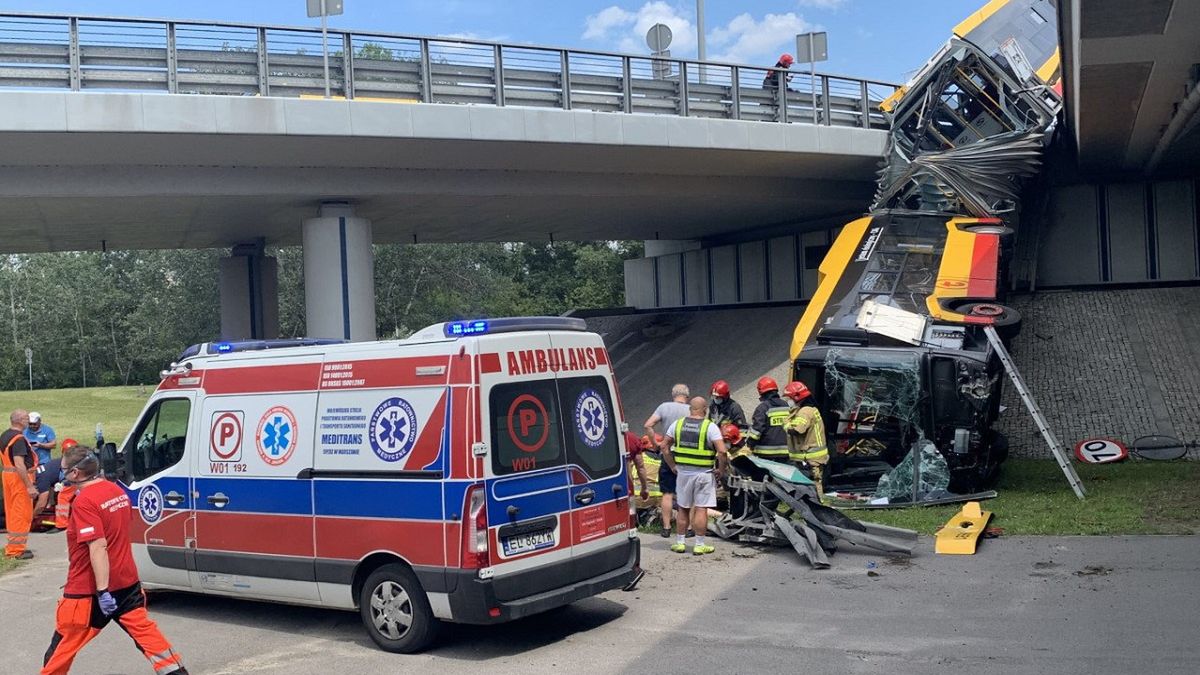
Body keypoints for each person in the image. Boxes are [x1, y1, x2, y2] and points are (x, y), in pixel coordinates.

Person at [41, 446, 188, 675]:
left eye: (64, 470)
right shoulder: (115, 491)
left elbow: (98, 546)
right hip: (126, 583)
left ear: (76, 473)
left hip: (90, 590)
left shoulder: (84, 502)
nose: (61, 475)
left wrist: (102, 591)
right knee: (148, 637)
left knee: (61, 649)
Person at [661, 397, 728, 555]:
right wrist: (721, 470)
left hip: (683, 474)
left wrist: (672, 465)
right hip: (703, 474)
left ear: (690, 409)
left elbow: (664, 446)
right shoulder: (709, 427)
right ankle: (699, 544)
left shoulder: (677, 424)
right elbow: (722, 452)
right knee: (701, 508)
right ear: (704, 409)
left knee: (683, 508)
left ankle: (680, 543)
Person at [643, 384, 691, 536]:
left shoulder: (664, 407)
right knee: (688, 492)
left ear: (673, 395)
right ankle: (688, 529)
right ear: (687, 396)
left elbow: (648, 425)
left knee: (667, 493)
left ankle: (666, 527)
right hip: (686, 454)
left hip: (667, 452)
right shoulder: (691, 410)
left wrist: (656, 443)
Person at [782, 381, 830, 496]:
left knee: (813, 487)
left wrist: (786, 424)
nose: (788, 401)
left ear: (797, 397)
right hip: (811, 458)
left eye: (789, 398)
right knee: (813, 486)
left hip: (810, 458)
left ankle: (818, 510)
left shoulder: (805, 411)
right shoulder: (807, 409)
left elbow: (798, 429)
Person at [2, 409, 38, 559]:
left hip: (7, 476)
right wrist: (29, 486)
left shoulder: (5, 435)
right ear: (18, 420)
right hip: (19, 479)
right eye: (25, 418)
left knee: (12, 512)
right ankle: (16, 550)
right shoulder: (18, 439)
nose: (28, 421)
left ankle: (13, 546)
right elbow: (19, 464)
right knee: (21, 514)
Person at [746, 377, 791, 462]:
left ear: (761, 392)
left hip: (766, 454)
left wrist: (749, 444)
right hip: (786, 453)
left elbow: (756, 432)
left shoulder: (762, 408)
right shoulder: (786, 405)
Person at [622, 429, 651, 503]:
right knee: (629, 466)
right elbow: (640, 467)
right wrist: (644, 488)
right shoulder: (632, 438)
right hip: (632, 442)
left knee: (627, 467)